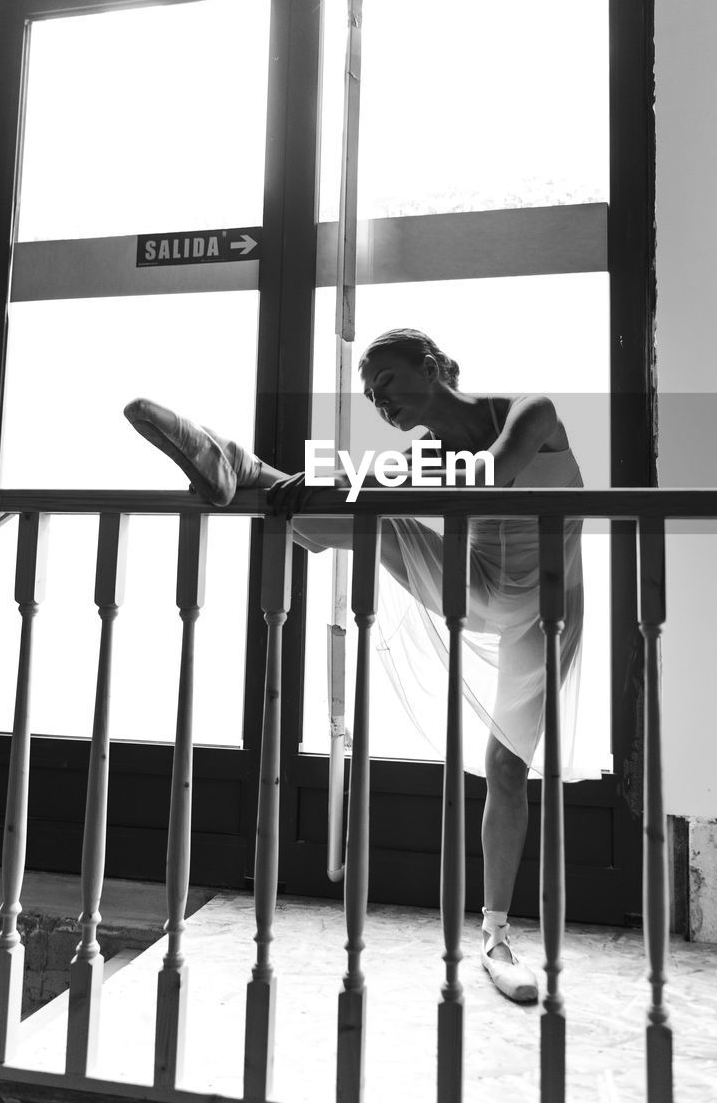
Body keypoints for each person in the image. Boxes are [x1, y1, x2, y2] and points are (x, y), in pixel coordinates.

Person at [123, 327, 584, 1004]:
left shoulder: (529, 413)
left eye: (387, 384)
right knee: (376, 520)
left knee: (507, 769)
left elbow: (489, 473)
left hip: (548, 611)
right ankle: (241, 469)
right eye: (370, 396)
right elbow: (397, 492)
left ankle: (493, 934)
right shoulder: (423, 452)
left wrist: (349, 480)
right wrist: (343, 486)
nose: (379, 403)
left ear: (429, 368)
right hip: (478, 583)